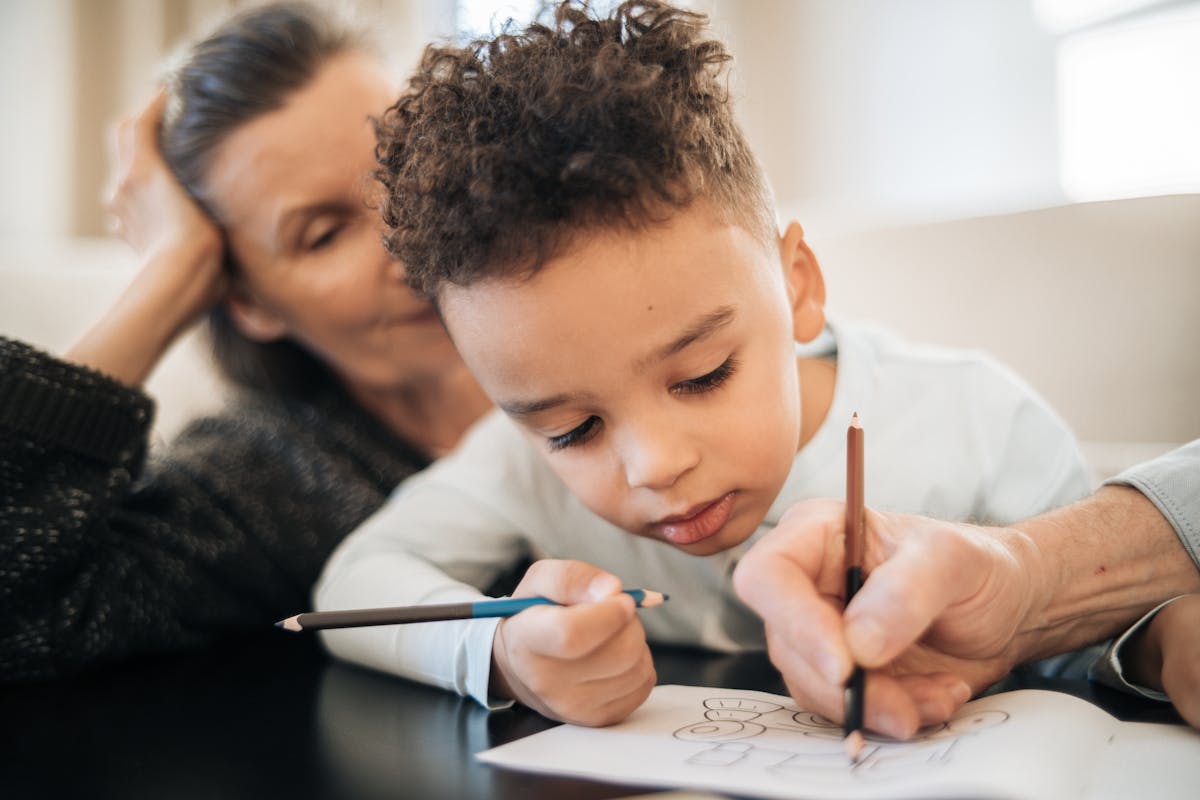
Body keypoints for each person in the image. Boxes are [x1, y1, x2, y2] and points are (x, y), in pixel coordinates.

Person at [313, 0, 1091, 727]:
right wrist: (502, 653)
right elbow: (356, 584)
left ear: (797, 286)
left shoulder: (978, 422)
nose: (655, 465)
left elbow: (1120, 621)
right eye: (573, 428)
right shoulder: (514, 470)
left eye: (703, 375)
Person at [0, 2, 491, 683]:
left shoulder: (610, 330)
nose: (408, 241)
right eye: (322, 233)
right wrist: (166, 278)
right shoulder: (268, 484)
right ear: (249, 302)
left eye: (405, 169)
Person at [735, 440, 1200, 732]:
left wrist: (1153, 640)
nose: (661, 468)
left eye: (706, 376)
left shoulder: (989, 433)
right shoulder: (663, 545)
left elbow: (1092, 634)